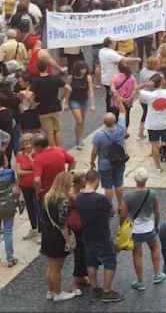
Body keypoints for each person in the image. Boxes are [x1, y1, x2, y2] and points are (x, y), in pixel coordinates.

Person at [74, 169, 123, 303]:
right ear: (96, 180)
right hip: (102, 235)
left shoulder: (78, 197)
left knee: (91, 261)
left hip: (87, 234)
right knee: (110, 261)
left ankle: (95, 288)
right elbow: (111, 212)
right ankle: (107, 291)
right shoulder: (101, 199)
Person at [121, 167, 166, 291]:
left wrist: (122, 228)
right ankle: (157, 274)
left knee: (137, 254)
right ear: (146, 180)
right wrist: (156, 225)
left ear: (135, 180)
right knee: (155, 248)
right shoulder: (152, 194)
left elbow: (123, 215)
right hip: (149, 227)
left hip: (135, 230)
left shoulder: (128, 196)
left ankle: (140, 281)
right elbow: (157, 211)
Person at [40, 171, 81, 302]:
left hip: (47, 234)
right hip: (57, 236)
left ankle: (51, 291)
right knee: (57, 267)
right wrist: (68, 241)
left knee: (51, 265)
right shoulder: (63, 201)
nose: (72, 184)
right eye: (70, 182)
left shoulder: (47, 197)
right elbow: (63, 224)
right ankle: (58, 293)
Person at [89, 112, 127, 208]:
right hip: (119, 161)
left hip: (104, 163)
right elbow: (123, 113)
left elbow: (94, 151)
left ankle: (109, 207)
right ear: (115, 121)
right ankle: (120, 205)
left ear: (104, 122)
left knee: (108, 186)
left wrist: (92, 161)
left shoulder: (98, 135)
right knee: (119, 183)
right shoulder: (121, 129)